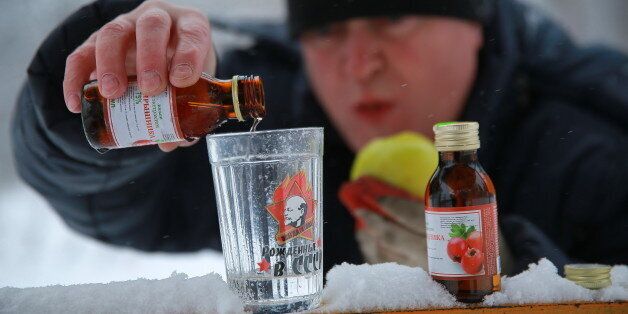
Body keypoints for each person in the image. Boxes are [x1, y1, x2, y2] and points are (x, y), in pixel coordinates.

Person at [11, 0, 628, 274]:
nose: (360, 63)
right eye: (328, 34)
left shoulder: (593, 127)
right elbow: (118, 208)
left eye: (393, 17)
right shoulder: (276, 118)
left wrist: (511, 280)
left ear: (473, 22)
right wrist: (94, 93)